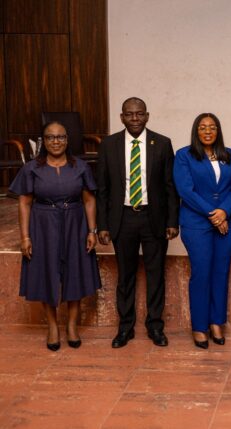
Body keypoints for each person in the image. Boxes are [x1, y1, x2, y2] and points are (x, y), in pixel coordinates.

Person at [96, 97, 179, 348]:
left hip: (153, 217)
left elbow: (170, 187)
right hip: (122, 218)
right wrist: (103, 225)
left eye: (139, 114)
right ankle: (125, 328)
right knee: (126, 276)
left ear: (147, 116)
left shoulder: (162, 144)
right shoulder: (109, 145)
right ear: (121, 117)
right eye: (129, 115)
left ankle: (155, 326)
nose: (135, 119)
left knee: (156, 275)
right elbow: (102, 189)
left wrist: (172, 220)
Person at [11, 121, 101, 351]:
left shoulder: (80, 166)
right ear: (44, 141)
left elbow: (89, 200)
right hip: (43, 223)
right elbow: (24, 203)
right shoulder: (31, 168)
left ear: (67, 140)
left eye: (61, 137)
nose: (56, 141)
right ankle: (52, 326)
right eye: (50, 137)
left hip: (75, 221)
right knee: (46, 273)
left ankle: (72, 325)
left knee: (76, 272)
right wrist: (25, 237)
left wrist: (92, 231)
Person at [174, 113, 231, 349]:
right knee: (201, 273)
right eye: (202, 127)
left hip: (226, 222)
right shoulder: (184, 155)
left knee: (220, 272)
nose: (207, 131)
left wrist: (224, 211)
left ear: (218, 131)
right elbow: (186, 190)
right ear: (196, 130)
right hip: (197, 223)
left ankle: (216, 322)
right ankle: (200, 326)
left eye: (212, 127)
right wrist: (214, 215)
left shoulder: (229, 155)